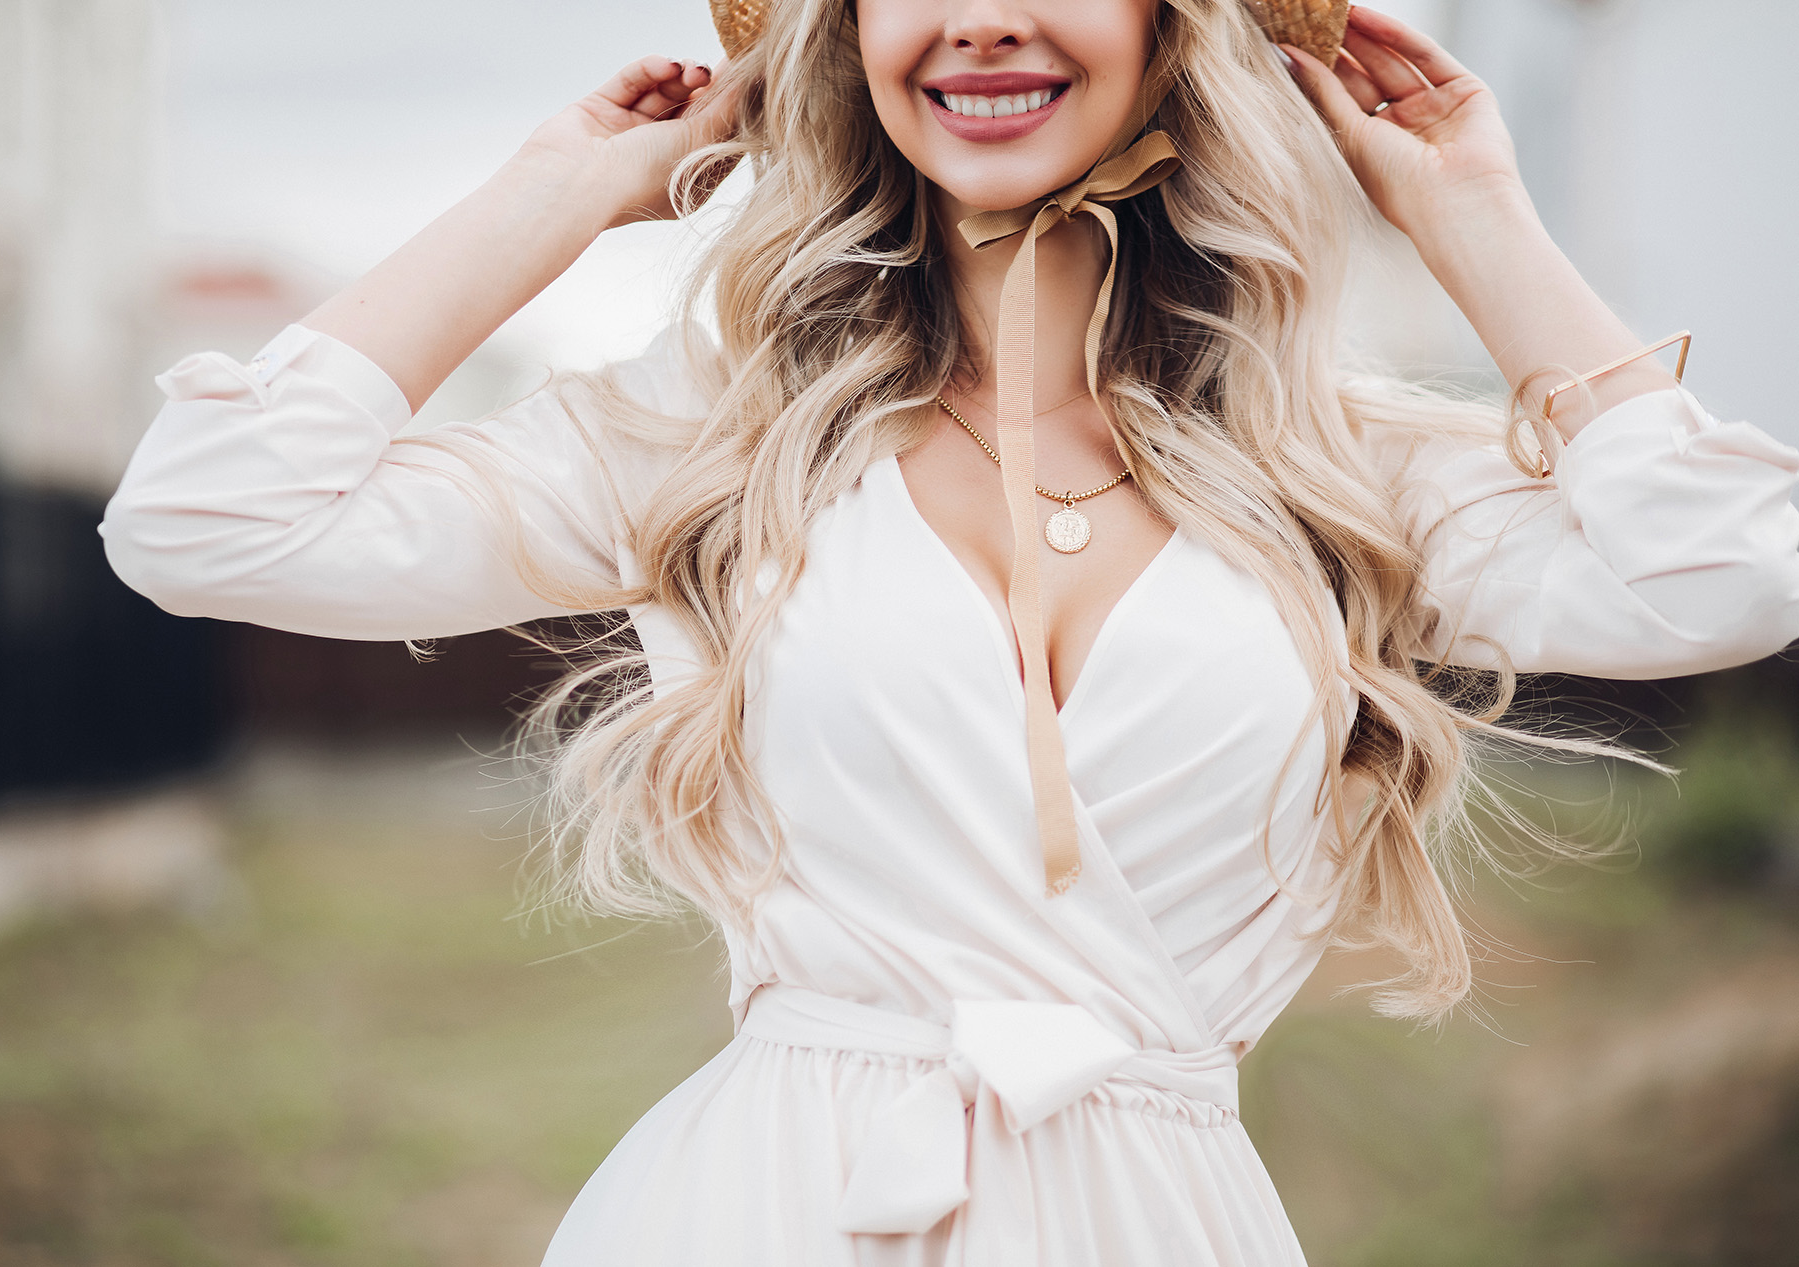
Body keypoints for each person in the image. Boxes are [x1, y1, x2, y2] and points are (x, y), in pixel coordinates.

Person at [101, 2, 1799, 1262]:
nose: (980, 18)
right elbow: (205, 518)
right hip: (765, 1210)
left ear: (1171, 27)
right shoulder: (715, 435)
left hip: (1156, 1219)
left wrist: (1472, 215)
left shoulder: (1336, 465)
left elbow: (1736, 572)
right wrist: (553, 193)